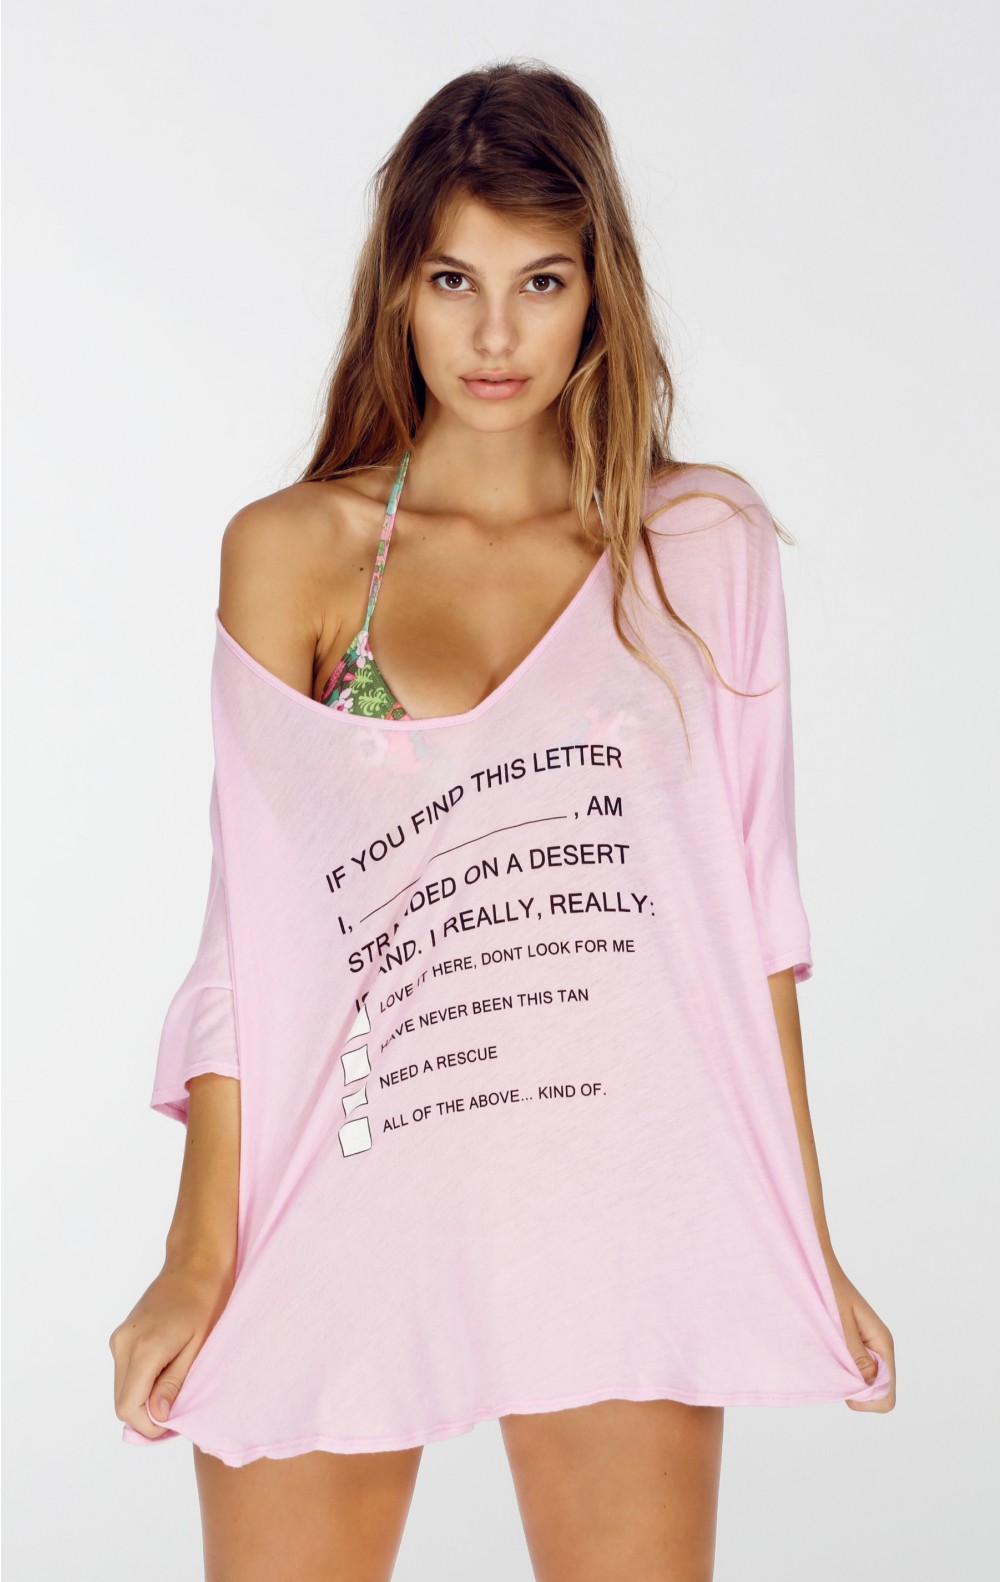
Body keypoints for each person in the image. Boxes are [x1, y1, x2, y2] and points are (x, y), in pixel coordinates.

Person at [110, 59, 895, 1582]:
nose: (493, 336)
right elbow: (249, 938)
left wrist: (807, 1237)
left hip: (621, 1189)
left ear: (599, 290)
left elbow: (755, 919)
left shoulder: (699, 542)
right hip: (345, 1176)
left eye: (540, 281)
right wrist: (197, 1255)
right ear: (399, 290)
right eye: (453, 279)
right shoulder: (295, 553)